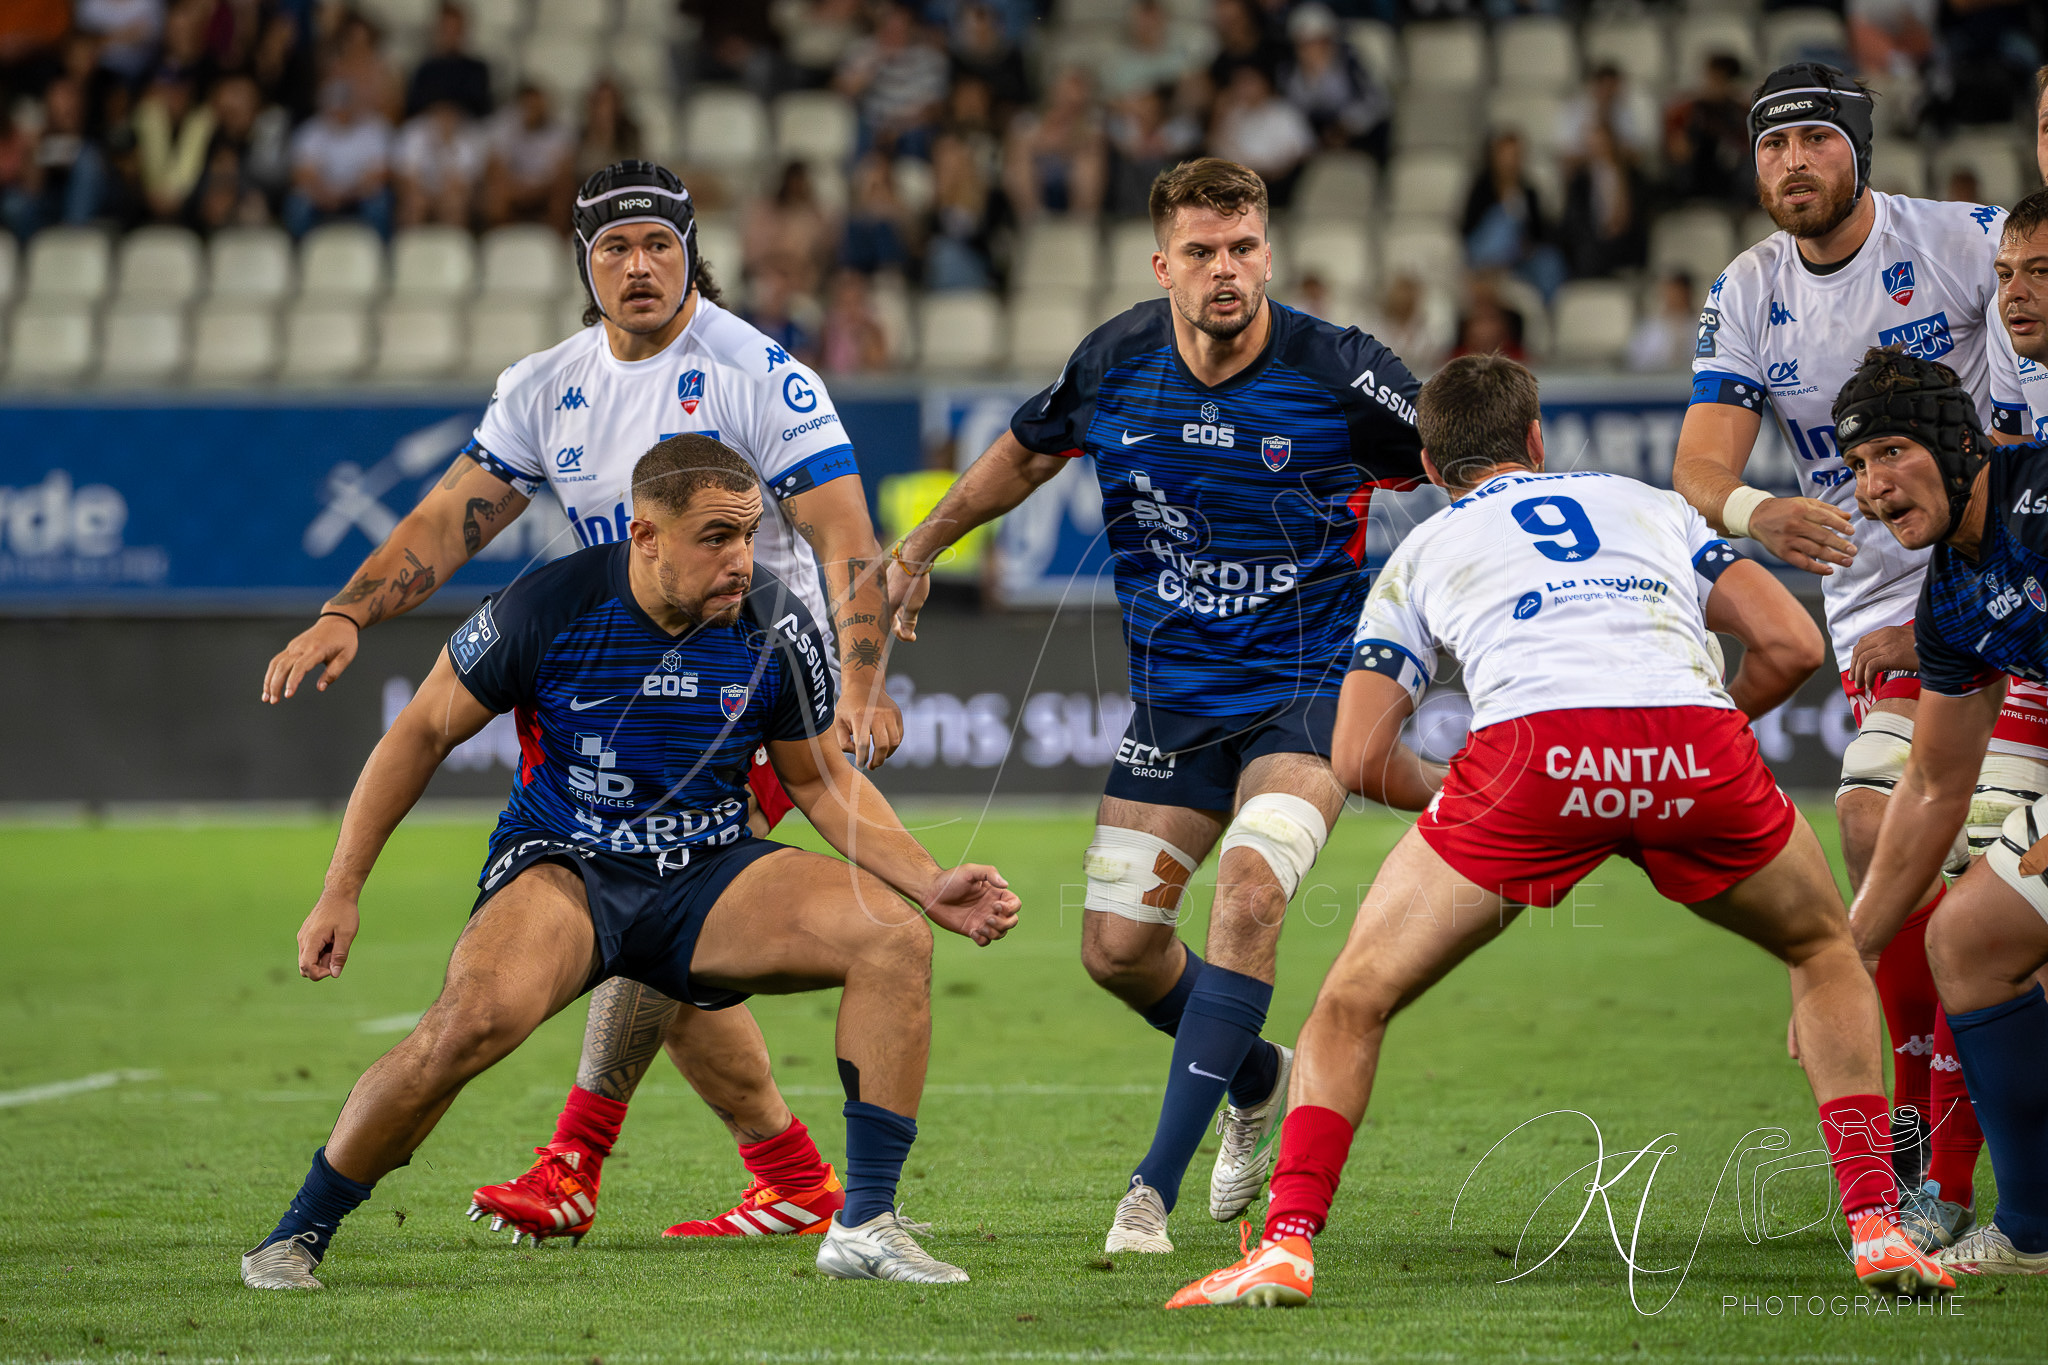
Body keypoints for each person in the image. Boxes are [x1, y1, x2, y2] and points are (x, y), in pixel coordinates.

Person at [1166, 354, 1954, 1309]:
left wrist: (1456, 788)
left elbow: (1359, 755)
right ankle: (1877, 1224)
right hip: (1691, 748)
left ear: (1428, 459)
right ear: (1537, 441)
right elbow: (1790, 643)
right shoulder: (1647, 504)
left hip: (1531, 763)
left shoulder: (1422, 549)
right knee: (1826, 950)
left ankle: (1286, 1243)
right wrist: (1698, 727)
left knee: (1350, 1003)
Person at [260, 160, 906, 1248]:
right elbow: (449, 518)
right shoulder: (543, 384)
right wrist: (348, 613)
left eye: (659, 244)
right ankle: (787, 1173)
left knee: (657, 900)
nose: (639, 266)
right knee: (668, 936)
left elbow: (845, 536)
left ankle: (577, 1158)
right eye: (614, 248)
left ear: (692, 251)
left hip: (747, 694)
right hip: (604, 694)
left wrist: (862, 683)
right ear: (583, 261)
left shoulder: (759, 372)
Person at [239, 434, 1019, 1292]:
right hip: (568, 867)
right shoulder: (551, 603)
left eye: (751, 534)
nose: (742, 560)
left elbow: (822, 779)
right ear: (645, 536)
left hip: (708, 872)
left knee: (893, 938)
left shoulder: (774, 619)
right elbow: (421, 732)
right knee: (464, 1029)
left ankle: (865, 1222)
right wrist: (340, 888)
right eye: (716, 537)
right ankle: (297, 1232)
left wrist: (929, 881)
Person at [885, 158, 1425, 1252]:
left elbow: (1473, 464)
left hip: (1306, 692)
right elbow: (1024, 454)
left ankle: (1150, 1191)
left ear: (1266, 252)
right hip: (1173, 705)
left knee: (1246, 890)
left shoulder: (1342, 373)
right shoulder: (1116, 359)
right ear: (1161, 263)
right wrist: (923, 543)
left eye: (1242, 250)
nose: (1224, 272)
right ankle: (1255, 1071)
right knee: (1116, 952)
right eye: (1200, 254)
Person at [1669, 63, 2047, 1231]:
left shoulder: (1966, 240)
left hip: (1995, 563)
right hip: (1902, 610)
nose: (1791, 163)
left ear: (1859, 150)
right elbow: (1695, 473)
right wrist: (1752, 514)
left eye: (1814, 141)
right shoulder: (1745, 289)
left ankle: (1954, 1170)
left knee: (1979, 868)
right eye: (1770, 146)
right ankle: (1920, 1138)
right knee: (1886, 822)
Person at [1831, 325, 2048, 1277]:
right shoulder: (1951, 595)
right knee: (1967, 939)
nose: (1874, 485)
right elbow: (1933, 783)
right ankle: (2036, 1234)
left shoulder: (2040, 500)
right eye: (1857, 464)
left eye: (1892, 452)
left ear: (1959, 444)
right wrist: (1848, 952)